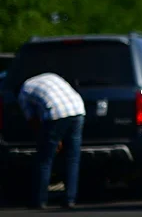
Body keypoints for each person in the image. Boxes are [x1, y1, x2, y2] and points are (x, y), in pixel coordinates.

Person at [17, 72, 86, 210]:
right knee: (72, 158)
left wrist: (47, 139)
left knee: (45, 159)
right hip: (78, 109)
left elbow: (33, 121)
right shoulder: (51, 76)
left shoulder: (23, 92)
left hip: (56, 113)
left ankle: (39, 200)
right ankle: (69, 199)